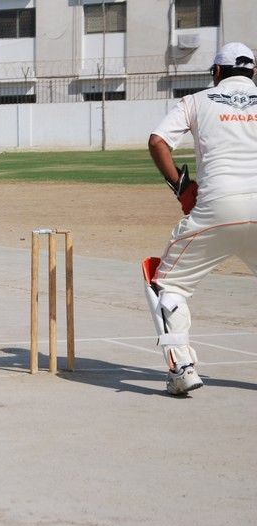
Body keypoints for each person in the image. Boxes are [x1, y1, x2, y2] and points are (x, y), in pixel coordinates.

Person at [144, 42, 257, 396]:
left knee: (167, 284)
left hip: (217, 208)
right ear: (253, 73)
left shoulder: (196, 100)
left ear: (217, 72)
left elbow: (157, 142)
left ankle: (182, 368)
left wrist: (182, 188)